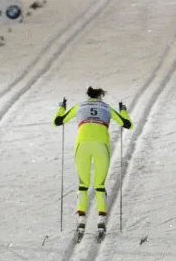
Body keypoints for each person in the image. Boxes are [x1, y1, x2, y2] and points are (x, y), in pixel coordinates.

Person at [54, 86, 132, 238]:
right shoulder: (106, 107)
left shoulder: (79, 106)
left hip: (82, 146)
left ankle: (81, 220)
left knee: (83, 184)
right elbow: (127, 124)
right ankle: (101, 220)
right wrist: (123, 110)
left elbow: (58, 121)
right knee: (99, 186)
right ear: (101, 96)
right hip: (101, 146)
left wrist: (61, 108)